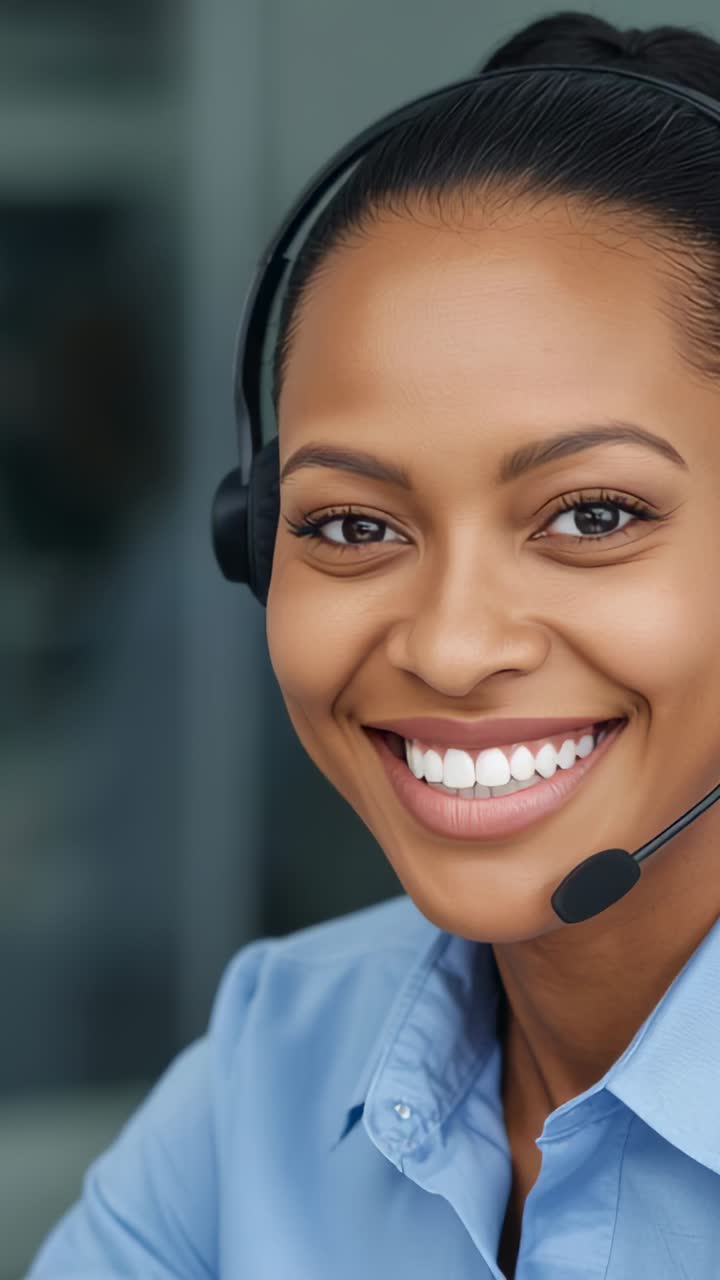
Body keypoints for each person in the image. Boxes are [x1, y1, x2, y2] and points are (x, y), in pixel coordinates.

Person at [26, 11, 720, 1279]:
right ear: (255, 540)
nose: (450, 647)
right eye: (353, 524)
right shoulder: (274, 1062)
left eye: (592, 515)